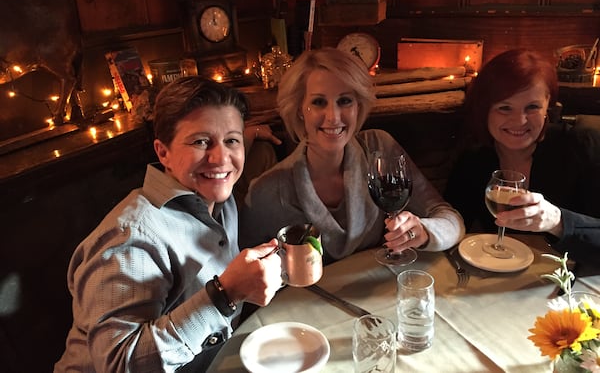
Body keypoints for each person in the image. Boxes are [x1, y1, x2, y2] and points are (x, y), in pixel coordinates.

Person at [55, 77, 283, 372]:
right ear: (163, 153)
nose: (221, 158)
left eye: (231, 141)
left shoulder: (221, 201)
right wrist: (224, 295)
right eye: (201, 142)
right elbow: (117, 366)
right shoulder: (130, 236)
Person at [239, 47, 465, 264]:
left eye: (344, 101)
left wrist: (424, 231)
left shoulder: (379, 148)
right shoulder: (266, 193)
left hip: (377, 294)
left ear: (358, 105)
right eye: (319, 102)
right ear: (300, 109)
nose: (333, 117)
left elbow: (450, 220)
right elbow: (247, 271)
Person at [444, 49, 600, 267]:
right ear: (484, 109)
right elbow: (452, 225)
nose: (519, 120)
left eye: (532, 107)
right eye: (505, 108)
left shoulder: (582, 146)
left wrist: (558, 222)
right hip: (504, 285)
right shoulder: (473, 160)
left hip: (575, 286)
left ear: (548, 105)